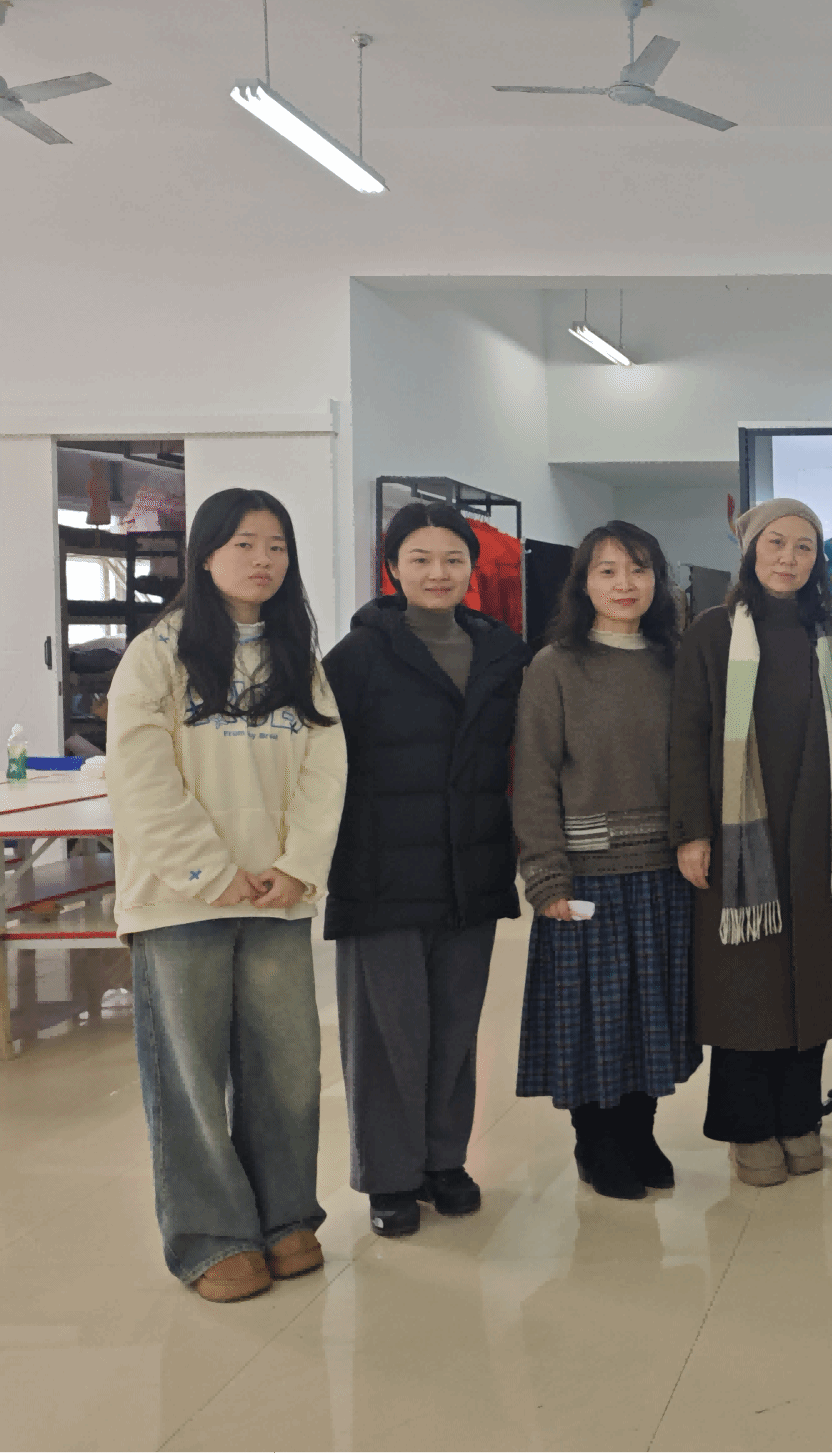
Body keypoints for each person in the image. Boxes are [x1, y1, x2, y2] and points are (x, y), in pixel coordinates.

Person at [106, 488, 346, 1303]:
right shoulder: (155, 656)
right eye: (244, 544)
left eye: (276, 545)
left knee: (288, 1069)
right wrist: (209, 871)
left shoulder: (296, 658)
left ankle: (285, 1219)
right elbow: (141, 781)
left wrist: (298, 863)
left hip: (276, 895)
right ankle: (212, 1236)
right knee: (190, 1075)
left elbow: (325, 770)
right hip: (180, 901)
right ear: (205, 555)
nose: (262, 560)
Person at [323, 501, 530, 1238]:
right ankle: (389, 1177)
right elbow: (321, 767)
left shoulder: (503, 653)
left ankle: (444, 1162)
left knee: (454, 1027)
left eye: (452, 559)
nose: (437, 572)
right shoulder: (356, 656)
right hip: (379, 874)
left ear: (473, 568)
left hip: (471, 869)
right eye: (420, 558)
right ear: (393, 567)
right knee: (386, 1036)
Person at [671, 498, 832, 1187]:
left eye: (803, 547)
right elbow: (686, 738)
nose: (789, 558)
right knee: (748, 988)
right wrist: (692, 832)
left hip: (820, 835)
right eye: (775, 543)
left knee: (813, 984)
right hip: (741, 837)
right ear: (749, 550)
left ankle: (799, 1118)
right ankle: (748, 1129)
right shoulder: (711, 634)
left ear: (817, 560)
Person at [513, 521, 698, 1201]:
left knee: (652, 1014)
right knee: (595, 1019)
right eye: (608, 571)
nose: (625, 585)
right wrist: (546, 876)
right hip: (587, 875)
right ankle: (596, 1143)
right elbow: (534, 776)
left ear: (658, 581)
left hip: (664, 873)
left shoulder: (675, 663)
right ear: (583, 583)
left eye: (639, 569)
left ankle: (639, 1135)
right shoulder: (556, 666)